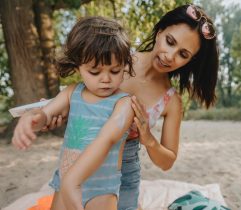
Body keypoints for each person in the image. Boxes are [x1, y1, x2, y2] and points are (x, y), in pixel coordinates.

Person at [30, 3, 218, 210]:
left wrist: (149, 139)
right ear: (160, 31)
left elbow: (167, 162)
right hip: (80, 160)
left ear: (190, 61)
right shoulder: (116, 58)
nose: (170, 56)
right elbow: (80, 94)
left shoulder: (171, 101)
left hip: (123, 172)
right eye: (170, 41)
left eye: (183, 54)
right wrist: (56, 113)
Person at [12, 16, 135, 210]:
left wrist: (73, 181)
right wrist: (31, 118)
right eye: (95, 72)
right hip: (65, 181)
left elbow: (106, 140)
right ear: (78, 66)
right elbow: (46, 114)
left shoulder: (124, 103)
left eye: (115, 70)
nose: (106, 79)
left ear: (124, 66)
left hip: (100, 189)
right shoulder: (72, 93)